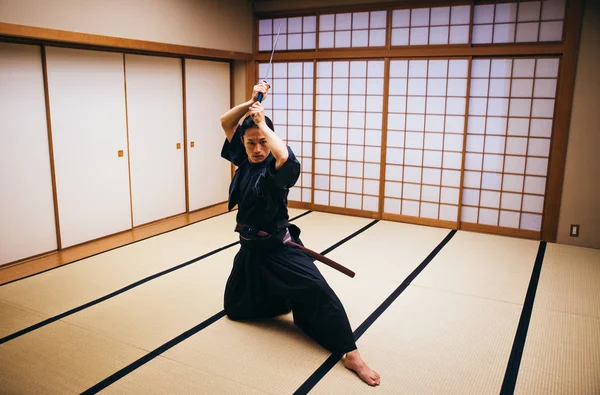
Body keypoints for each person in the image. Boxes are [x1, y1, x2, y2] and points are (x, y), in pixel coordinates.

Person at [219, 81, 380, 386]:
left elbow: (282, 154)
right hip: (250, 250)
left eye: (262, 142)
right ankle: (280, 299)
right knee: (235, 309)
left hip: (278, 249)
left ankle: (352, 356)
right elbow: (226, 121)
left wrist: (261, 123)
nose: (256, 148)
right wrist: (250, 102)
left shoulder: (277, 168)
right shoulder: (243, 158)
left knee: (318, 291)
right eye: (250, 142)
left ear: (270, 140)